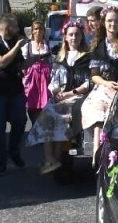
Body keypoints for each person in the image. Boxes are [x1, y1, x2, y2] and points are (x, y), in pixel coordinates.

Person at [28, 21, 91, 176]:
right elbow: (54, 81)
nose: (74, 37)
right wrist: (54, 91)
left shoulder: (88, 57)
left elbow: (88, 83)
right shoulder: (60, 58)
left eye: (77, 34)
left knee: (60, 114)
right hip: (61, 96)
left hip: (78, 96)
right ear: (65, 37)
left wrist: (70, 93)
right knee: (47, 114)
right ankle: (51, 159)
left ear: (82, 36)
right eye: (71, 34)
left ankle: (56, 159)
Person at [0, 15, 28, 176]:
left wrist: (37, 60)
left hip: (15, 90)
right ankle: (0, 164)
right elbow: (1, 62)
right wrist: (17, 47)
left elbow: (20, 64)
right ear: (6, 28)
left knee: (20, 121)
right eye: (15, 27)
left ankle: (13, 151)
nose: (18, 30)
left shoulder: (13, 40)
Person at [80, 5, 118, 134]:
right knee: (97, 111)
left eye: (116, 21)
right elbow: (94, 75)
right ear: (104, 23)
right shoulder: (98, 46)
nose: (113, 24)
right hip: (103, 87)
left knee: (117, 112)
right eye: (109, 21)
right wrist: (106, 83)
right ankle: (97, 152)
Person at [21, 18, 52, 121]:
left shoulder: (48, 45)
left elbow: (53, 61)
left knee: (46, 104)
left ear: (44, 31)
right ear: (32, 31)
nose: (38, 31)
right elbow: (23, 64)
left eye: (40, 29)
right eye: (36, 29)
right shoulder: (27, 46)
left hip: (46, 78)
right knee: (31, 103)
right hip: (32, 77)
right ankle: (34, 124)